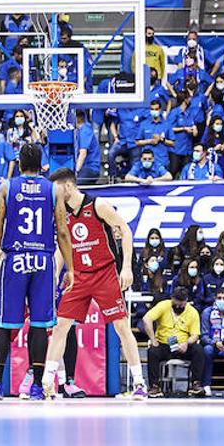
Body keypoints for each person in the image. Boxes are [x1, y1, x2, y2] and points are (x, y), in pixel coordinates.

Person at [35, 168, 147, 400]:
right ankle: (47, 383)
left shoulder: (97, 205)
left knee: (121, 328)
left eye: (55, 189)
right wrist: (55, 274)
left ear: (67, 186)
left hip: (105, 274)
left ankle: (139, 383)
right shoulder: (60, 212)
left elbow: (125, 230)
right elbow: (61, 247)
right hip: (79, 276)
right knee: (60, 327)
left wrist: (126, 267)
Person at [0, 142, 75, 400]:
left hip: (15, 259)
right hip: (43, 260)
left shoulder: (6, 187)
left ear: (20, 164)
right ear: (41, 163)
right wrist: (70, 268)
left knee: (5, 325)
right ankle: (36, 387)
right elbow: (63, 232)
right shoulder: (53, 189)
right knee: (39, 324)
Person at [142, 287, 206, 398]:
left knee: (199, 350)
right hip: (164, 344)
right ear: (172, 299)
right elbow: (146, 319)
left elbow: (195, 335)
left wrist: (186, 343)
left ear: (186, 301)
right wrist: (153, 339)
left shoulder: (192, 312)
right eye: (175, 304)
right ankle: (154, 386)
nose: (178, 307)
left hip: (183, 345)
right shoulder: (164, 305)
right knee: (153, 351)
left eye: (181, 305)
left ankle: (196, 384)